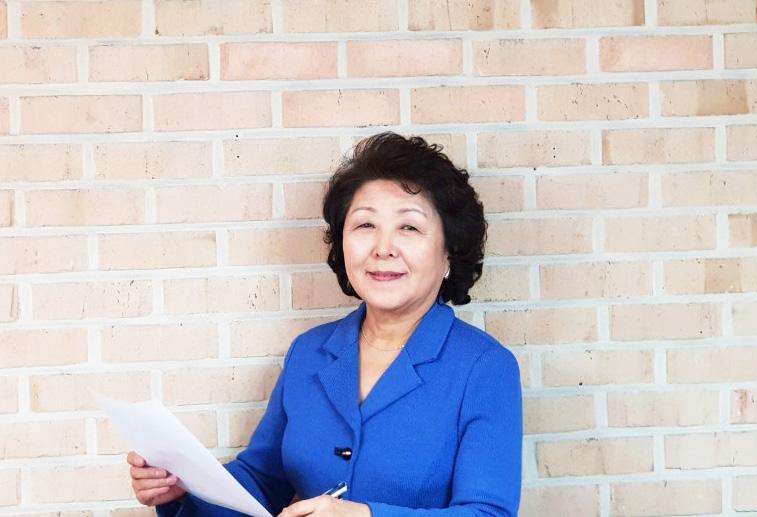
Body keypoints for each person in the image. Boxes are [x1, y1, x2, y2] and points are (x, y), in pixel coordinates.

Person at [127, 132, 523, 516]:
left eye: (409, 227)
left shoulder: (484, 367)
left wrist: (362, 516)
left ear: (449, 251)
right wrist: (185, 488)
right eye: (365, 226)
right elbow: (263, 479)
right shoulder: (309, 352)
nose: (383, 248)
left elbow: (489, 512)